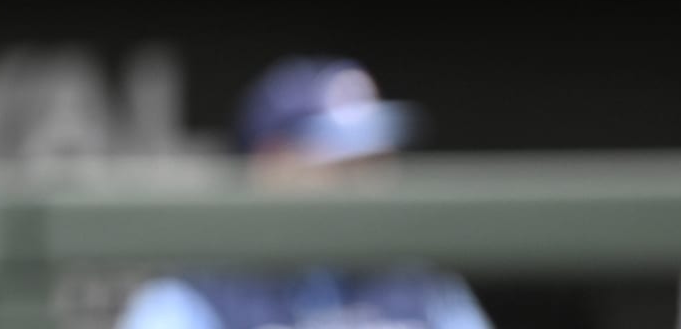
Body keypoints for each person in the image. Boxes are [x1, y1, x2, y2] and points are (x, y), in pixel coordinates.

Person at [113, 55, 495, 329]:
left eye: (378, 163)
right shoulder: (198, 293)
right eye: (345, 165)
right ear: (272, 166)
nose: (371, 184)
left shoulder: (420, 285)